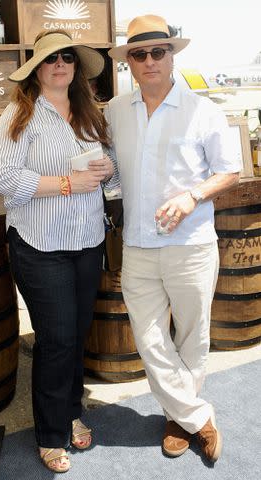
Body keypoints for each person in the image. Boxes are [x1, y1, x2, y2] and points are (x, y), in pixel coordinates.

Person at [105, 15, 240, 463]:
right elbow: (115, 172)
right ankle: (198, 416)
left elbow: (230, 171)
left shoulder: (205, 110)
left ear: (171, 55)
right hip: (138, 246)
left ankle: (176, 418)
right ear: (128, 62)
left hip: (191, 245)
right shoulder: (114, 111)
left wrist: (192, 196)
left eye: (157, 52)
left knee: (193, 337)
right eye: (138, 54)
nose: (148, 61)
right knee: (148, 339)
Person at [0, 29, 118, 473]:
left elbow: (111, 170)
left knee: (75, 337)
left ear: (76, 67)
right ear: (37, 69)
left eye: (67, 57)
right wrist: (66, 183)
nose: (60, 63)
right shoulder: (17, 116)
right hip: (40, 246)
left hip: (87, 241)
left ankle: (71, 411)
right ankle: (49, 432)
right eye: (51, 58)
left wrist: (105, 170)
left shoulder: (89, 114)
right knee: (56, 340)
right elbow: (5, 180)